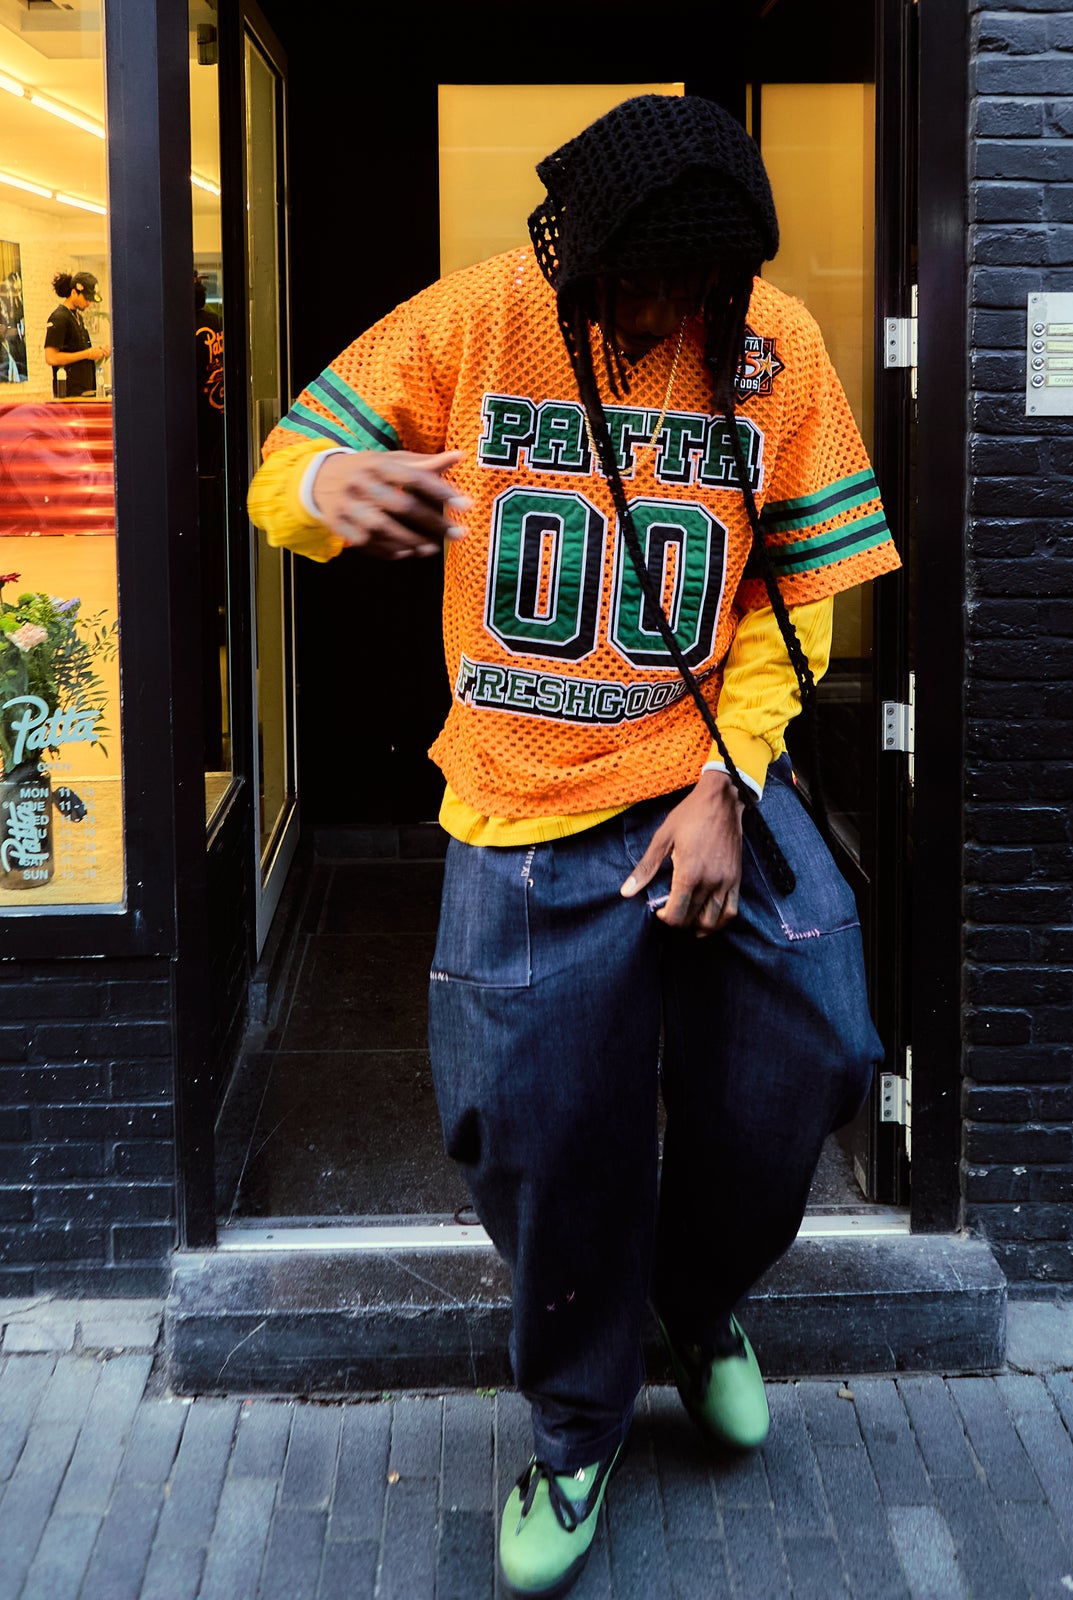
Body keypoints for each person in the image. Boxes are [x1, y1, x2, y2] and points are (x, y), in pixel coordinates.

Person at [248, 94, 900, 1598]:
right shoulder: (478, 316)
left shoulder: (775, 348)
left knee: (818, 1046)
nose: (662, 311)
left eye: (694, 284)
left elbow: (795, 595)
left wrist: (726, 784)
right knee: (536, 1131)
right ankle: (575, 1423)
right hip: (521, 795)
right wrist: (332, 488)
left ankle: (698, 1298)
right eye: (637, 282)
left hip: (706, 770)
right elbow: (288, 462)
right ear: (579, 254)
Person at [43, 271, 108, 397]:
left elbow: (78, 350)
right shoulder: (59, 318)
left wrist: (97, 352)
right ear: (74, 293)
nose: (88, 303)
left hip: (85, 391)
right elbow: (51, 357)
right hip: (69, 394)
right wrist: (87, 354)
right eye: (86, 298)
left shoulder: (78, 318)